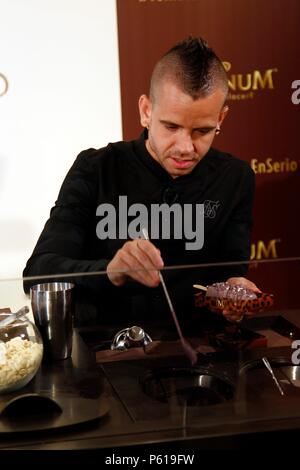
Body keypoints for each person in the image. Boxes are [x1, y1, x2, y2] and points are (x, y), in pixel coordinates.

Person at [23, 37, 258, 330]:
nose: (185, 147)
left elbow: (229, 274)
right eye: (171, 127)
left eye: (203, 131)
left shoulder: (236, 178)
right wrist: (110, 272)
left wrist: (235, 293)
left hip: (198, 357)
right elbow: (37, 273)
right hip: (104, 356)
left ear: (221, 118)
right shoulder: (96, 168)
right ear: (146, 111)